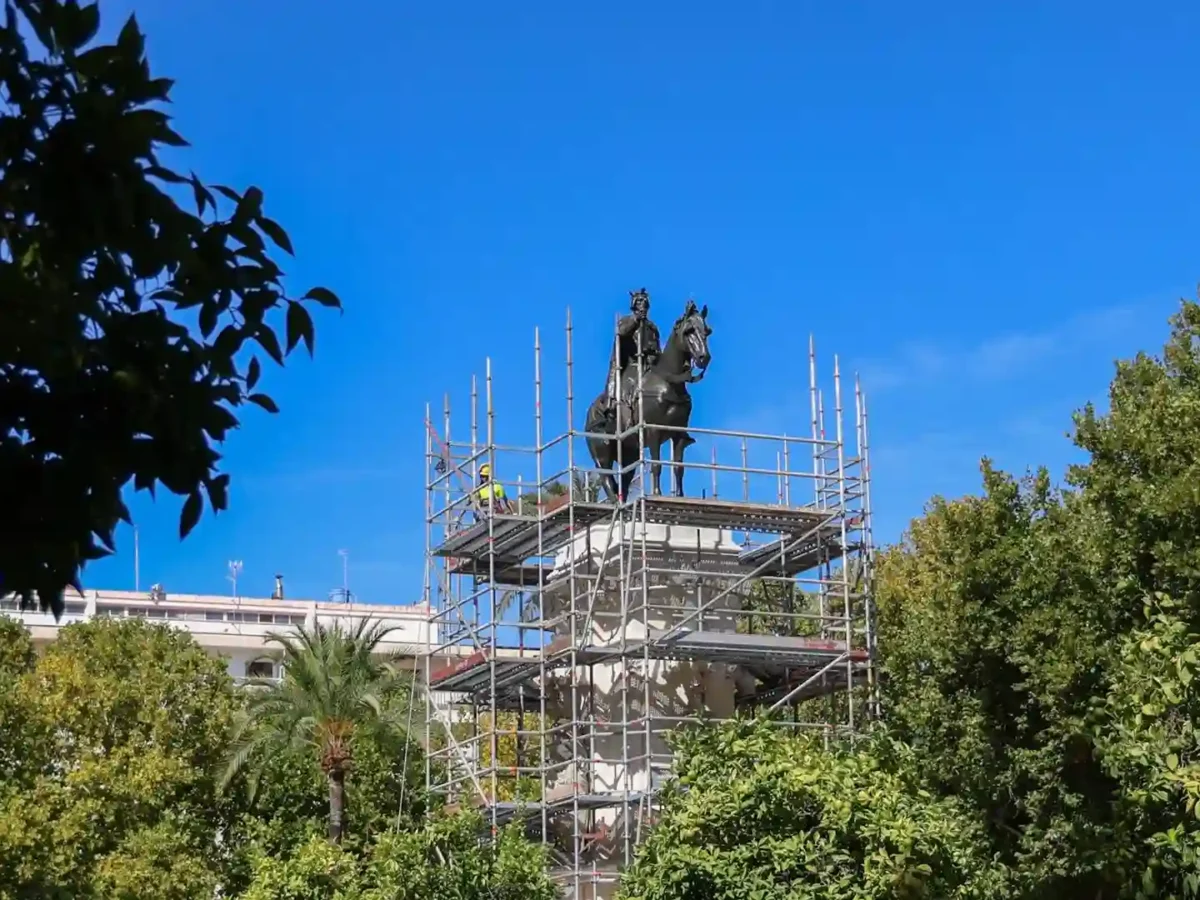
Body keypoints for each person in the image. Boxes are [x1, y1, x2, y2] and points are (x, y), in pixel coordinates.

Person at [600, 288, 661, 424]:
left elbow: (658, 349)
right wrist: (635, 320)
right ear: (634, 306)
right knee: (626, 387)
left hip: (649, 366)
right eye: (639, 305)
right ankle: (613, 411)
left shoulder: (652, 328)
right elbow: (622, 333)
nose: (643, 308)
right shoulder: (626, 321)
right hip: (630, 365)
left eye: (645, 306)